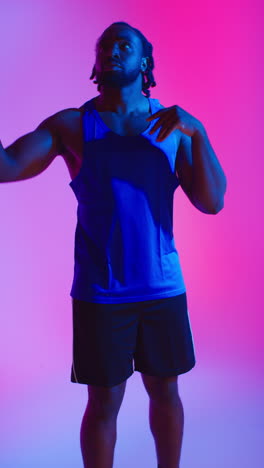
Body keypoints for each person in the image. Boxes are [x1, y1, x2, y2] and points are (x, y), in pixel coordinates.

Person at [0, 21, 227, 468]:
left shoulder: (172, 126)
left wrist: (198, 132)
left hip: (162, 289)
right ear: (96, 62)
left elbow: (213, 201)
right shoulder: (73, 126)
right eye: (104, 46)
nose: (112, 51)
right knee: (103, 406)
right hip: (101, 295)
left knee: (166, 393)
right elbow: (7, 166)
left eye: (124, 45)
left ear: (144, 60)